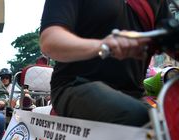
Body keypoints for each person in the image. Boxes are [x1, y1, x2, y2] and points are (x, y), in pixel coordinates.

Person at [39, 0, 174, 127]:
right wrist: (103, 46)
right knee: (142, 118)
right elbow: (50, 41)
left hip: (135, 94)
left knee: (171, 125)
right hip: (75, 85)